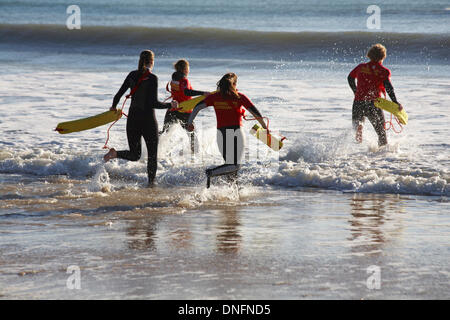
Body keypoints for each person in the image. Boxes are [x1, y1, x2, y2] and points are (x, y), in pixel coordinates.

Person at [103, 50, 178, 186]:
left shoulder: (132, 75)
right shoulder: (152, 78)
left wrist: (113, 107)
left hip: (133, 120)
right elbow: (153, 103)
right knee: (152, 157)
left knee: (134, 155)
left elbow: (118, 95)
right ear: (152, 62)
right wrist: (170, 105)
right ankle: (151, 184)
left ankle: (115, 154)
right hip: (148, 121)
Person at [186, 73, 267, 188]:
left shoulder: (214, 97)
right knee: (235, 166)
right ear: (234, 84)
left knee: (229, 166)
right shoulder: (239, 96)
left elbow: (197, 107)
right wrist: (264, 127)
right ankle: (210, 173)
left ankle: (233, 193)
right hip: (235, 132)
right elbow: (256, 113)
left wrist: (190, 122)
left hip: (221, 133)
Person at [348, 43, 403, 146]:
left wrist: (356, 92)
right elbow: (388, 88)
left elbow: (350, 78)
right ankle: (382, 157)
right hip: (374, 104)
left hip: (358, 102)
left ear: (369, 55)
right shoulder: (383, 71)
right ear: (383, 56)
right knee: (381, 135)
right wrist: (395, 102)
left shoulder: (360, 67)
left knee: (357, 124)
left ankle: (360, 125)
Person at [161, 59, 209, 154]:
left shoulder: (174, 80)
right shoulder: (184, 80)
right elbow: (186, 92)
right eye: (188, 67)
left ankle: (156, 151)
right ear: (185, 69)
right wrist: (202, 93)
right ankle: (194, 157)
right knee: (192, 135)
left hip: (172, 109)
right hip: (184, 111)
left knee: (164, 133)